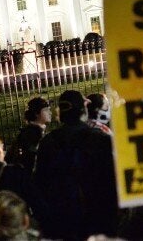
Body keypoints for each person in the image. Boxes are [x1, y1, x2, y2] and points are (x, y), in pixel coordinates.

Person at [34, 90, 118, 240]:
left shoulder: (48, 142)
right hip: (97, 218)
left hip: (63, 220)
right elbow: (113, 179)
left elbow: (40, 182)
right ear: (83, 109)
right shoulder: (100, 139)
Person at [5, 97, 51, 175]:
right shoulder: (34, 134)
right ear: (37, 114)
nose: (50, 112)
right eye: (46, 110)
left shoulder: (30, 131)